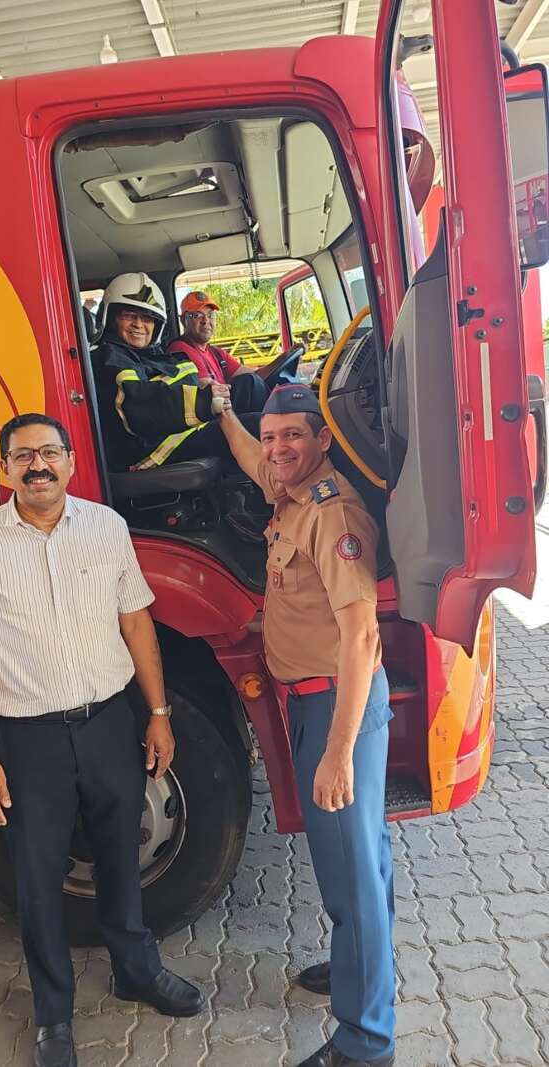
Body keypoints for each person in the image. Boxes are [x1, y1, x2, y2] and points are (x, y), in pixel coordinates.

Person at [0, 413, 205, 1067]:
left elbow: (137, 624)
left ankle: (136, 971)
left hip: (108, 725)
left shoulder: (106, 528)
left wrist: (157, 712)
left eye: (49, 452)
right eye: (23, 455)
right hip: (27, 741)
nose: (37, 464)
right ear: (5, 466)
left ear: (69, 460)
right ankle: (53, 1014)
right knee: (36, 880)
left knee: (121, 857)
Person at [219, 384, 395, 1067]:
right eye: (271, 437)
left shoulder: (332, 513)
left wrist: (339, 750)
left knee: (353, 870)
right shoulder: (289, 489)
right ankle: (358, 965)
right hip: (313, 698)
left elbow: (360, 636)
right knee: (358, 862)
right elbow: (246, 457)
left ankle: (366, 1039)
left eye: (292, 435)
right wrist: (226, 415)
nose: (277, 449)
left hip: (337, 705)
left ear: (321, 438)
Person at [93, 272, 260, 472]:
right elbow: (139, 406)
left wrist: (201, 386)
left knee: (262, 413)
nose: (139, 324)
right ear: (111, 319)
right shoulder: (111, 358)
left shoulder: (152, 356)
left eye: (147, 318)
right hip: (153, 448)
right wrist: (203, 399)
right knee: (262, 427)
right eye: (129, 316)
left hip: (177, 434)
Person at [167, 289, 269, 413]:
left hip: (227, 411)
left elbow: (257, 375)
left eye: (210, 315)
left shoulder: (216, 353)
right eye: (197, 315)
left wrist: (285, 357)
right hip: (214, 417)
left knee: (250, 381)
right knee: (250, 384)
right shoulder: (181, 350)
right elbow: (207, 393)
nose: (206, 321)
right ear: (183, 320)